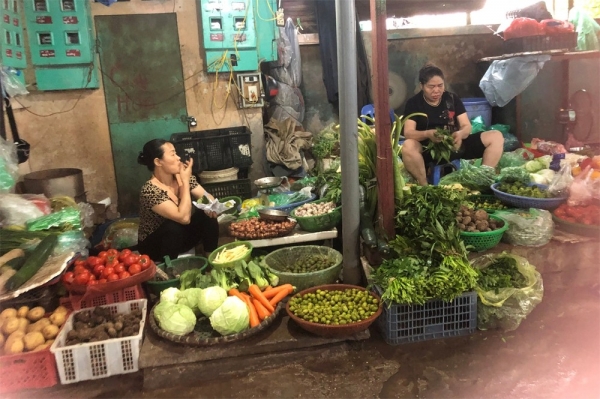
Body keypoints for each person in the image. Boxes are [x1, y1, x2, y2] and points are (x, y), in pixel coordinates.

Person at [402, 64, 504, 185]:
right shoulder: (414, 103)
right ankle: (425, 187)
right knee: (408, 146)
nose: (436, 90)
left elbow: (466, 126)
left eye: (440, 85)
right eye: (431, 87)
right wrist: (428, 134)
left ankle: (482, 180)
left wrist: (460, 134)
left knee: (495, 136)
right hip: (428, 149)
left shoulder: (451, 99)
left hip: (455, 144)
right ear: (421, 86)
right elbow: (408, 132)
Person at [137, 139, 219, 262]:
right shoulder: (150, 190)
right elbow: (184, 218)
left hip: (180, 238)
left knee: (207, 214)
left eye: (176, 153)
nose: (178, 158)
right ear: (158, 162)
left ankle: (212, 260)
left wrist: (209, 206)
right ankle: (169, 270)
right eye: (172, 154)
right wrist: (185, 183)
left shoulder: (181, 176)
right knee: (173, 226)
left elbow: (208, 198)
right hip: (155, 246)